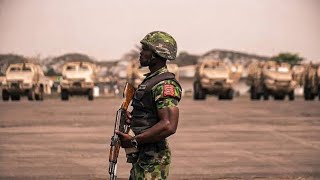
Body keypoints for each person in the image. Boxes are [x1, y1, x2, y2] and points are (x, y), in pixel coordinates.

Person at [116, 31, 182, 180]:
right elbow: (150, 115)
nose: (141, 53)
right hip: (144, 155)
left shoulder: (164, 84)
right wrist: (134, 119)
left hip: (154, 160)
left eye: (145, 49)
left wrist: (133, 141)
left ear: (157, 54)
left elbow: (169, 125)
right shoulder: (151, 81)